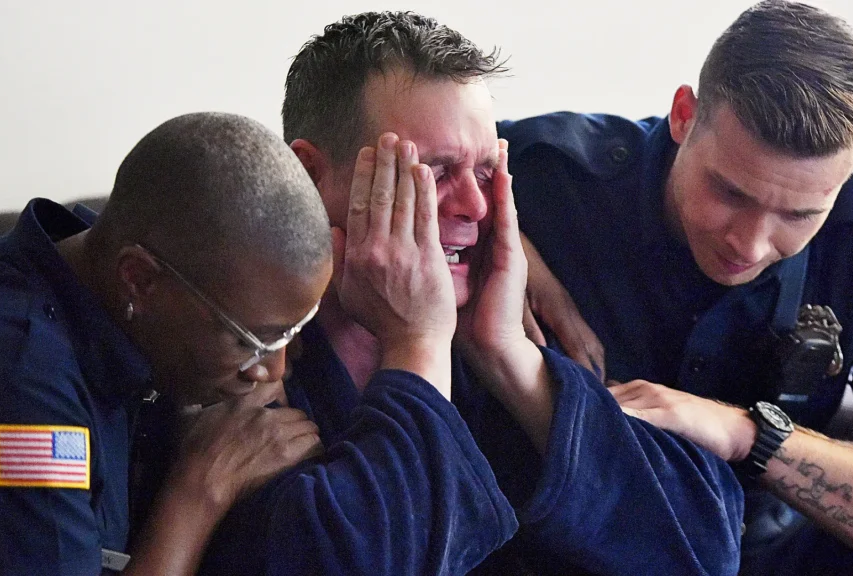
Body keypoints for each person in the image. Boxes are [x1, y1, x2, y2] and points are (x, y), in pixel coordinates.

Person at [196, 12, 745, 575]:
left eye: (485, 172)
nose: (475, 206)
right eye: (434, 172)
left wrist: (508, 357)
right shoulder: (243, 365)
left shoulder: (500, 333)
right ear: (310, 174)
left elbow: (705, 550)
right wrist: (417, 343)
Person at [499, 1, 853, 574]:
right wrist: (499, 240)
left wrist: (749, 436)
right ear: (684, 115)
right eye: (731, 193)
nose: (750, 245)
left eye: (799, 215)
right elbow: (388, 143)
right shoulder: (547, 175)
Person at [0, 112, 332, 575]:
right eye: (246, 339)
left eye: (289, 332)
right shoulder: (15, 388)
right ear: (138, 279)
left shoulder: (106, 286)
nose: (271, 370)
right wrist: (200, 489)